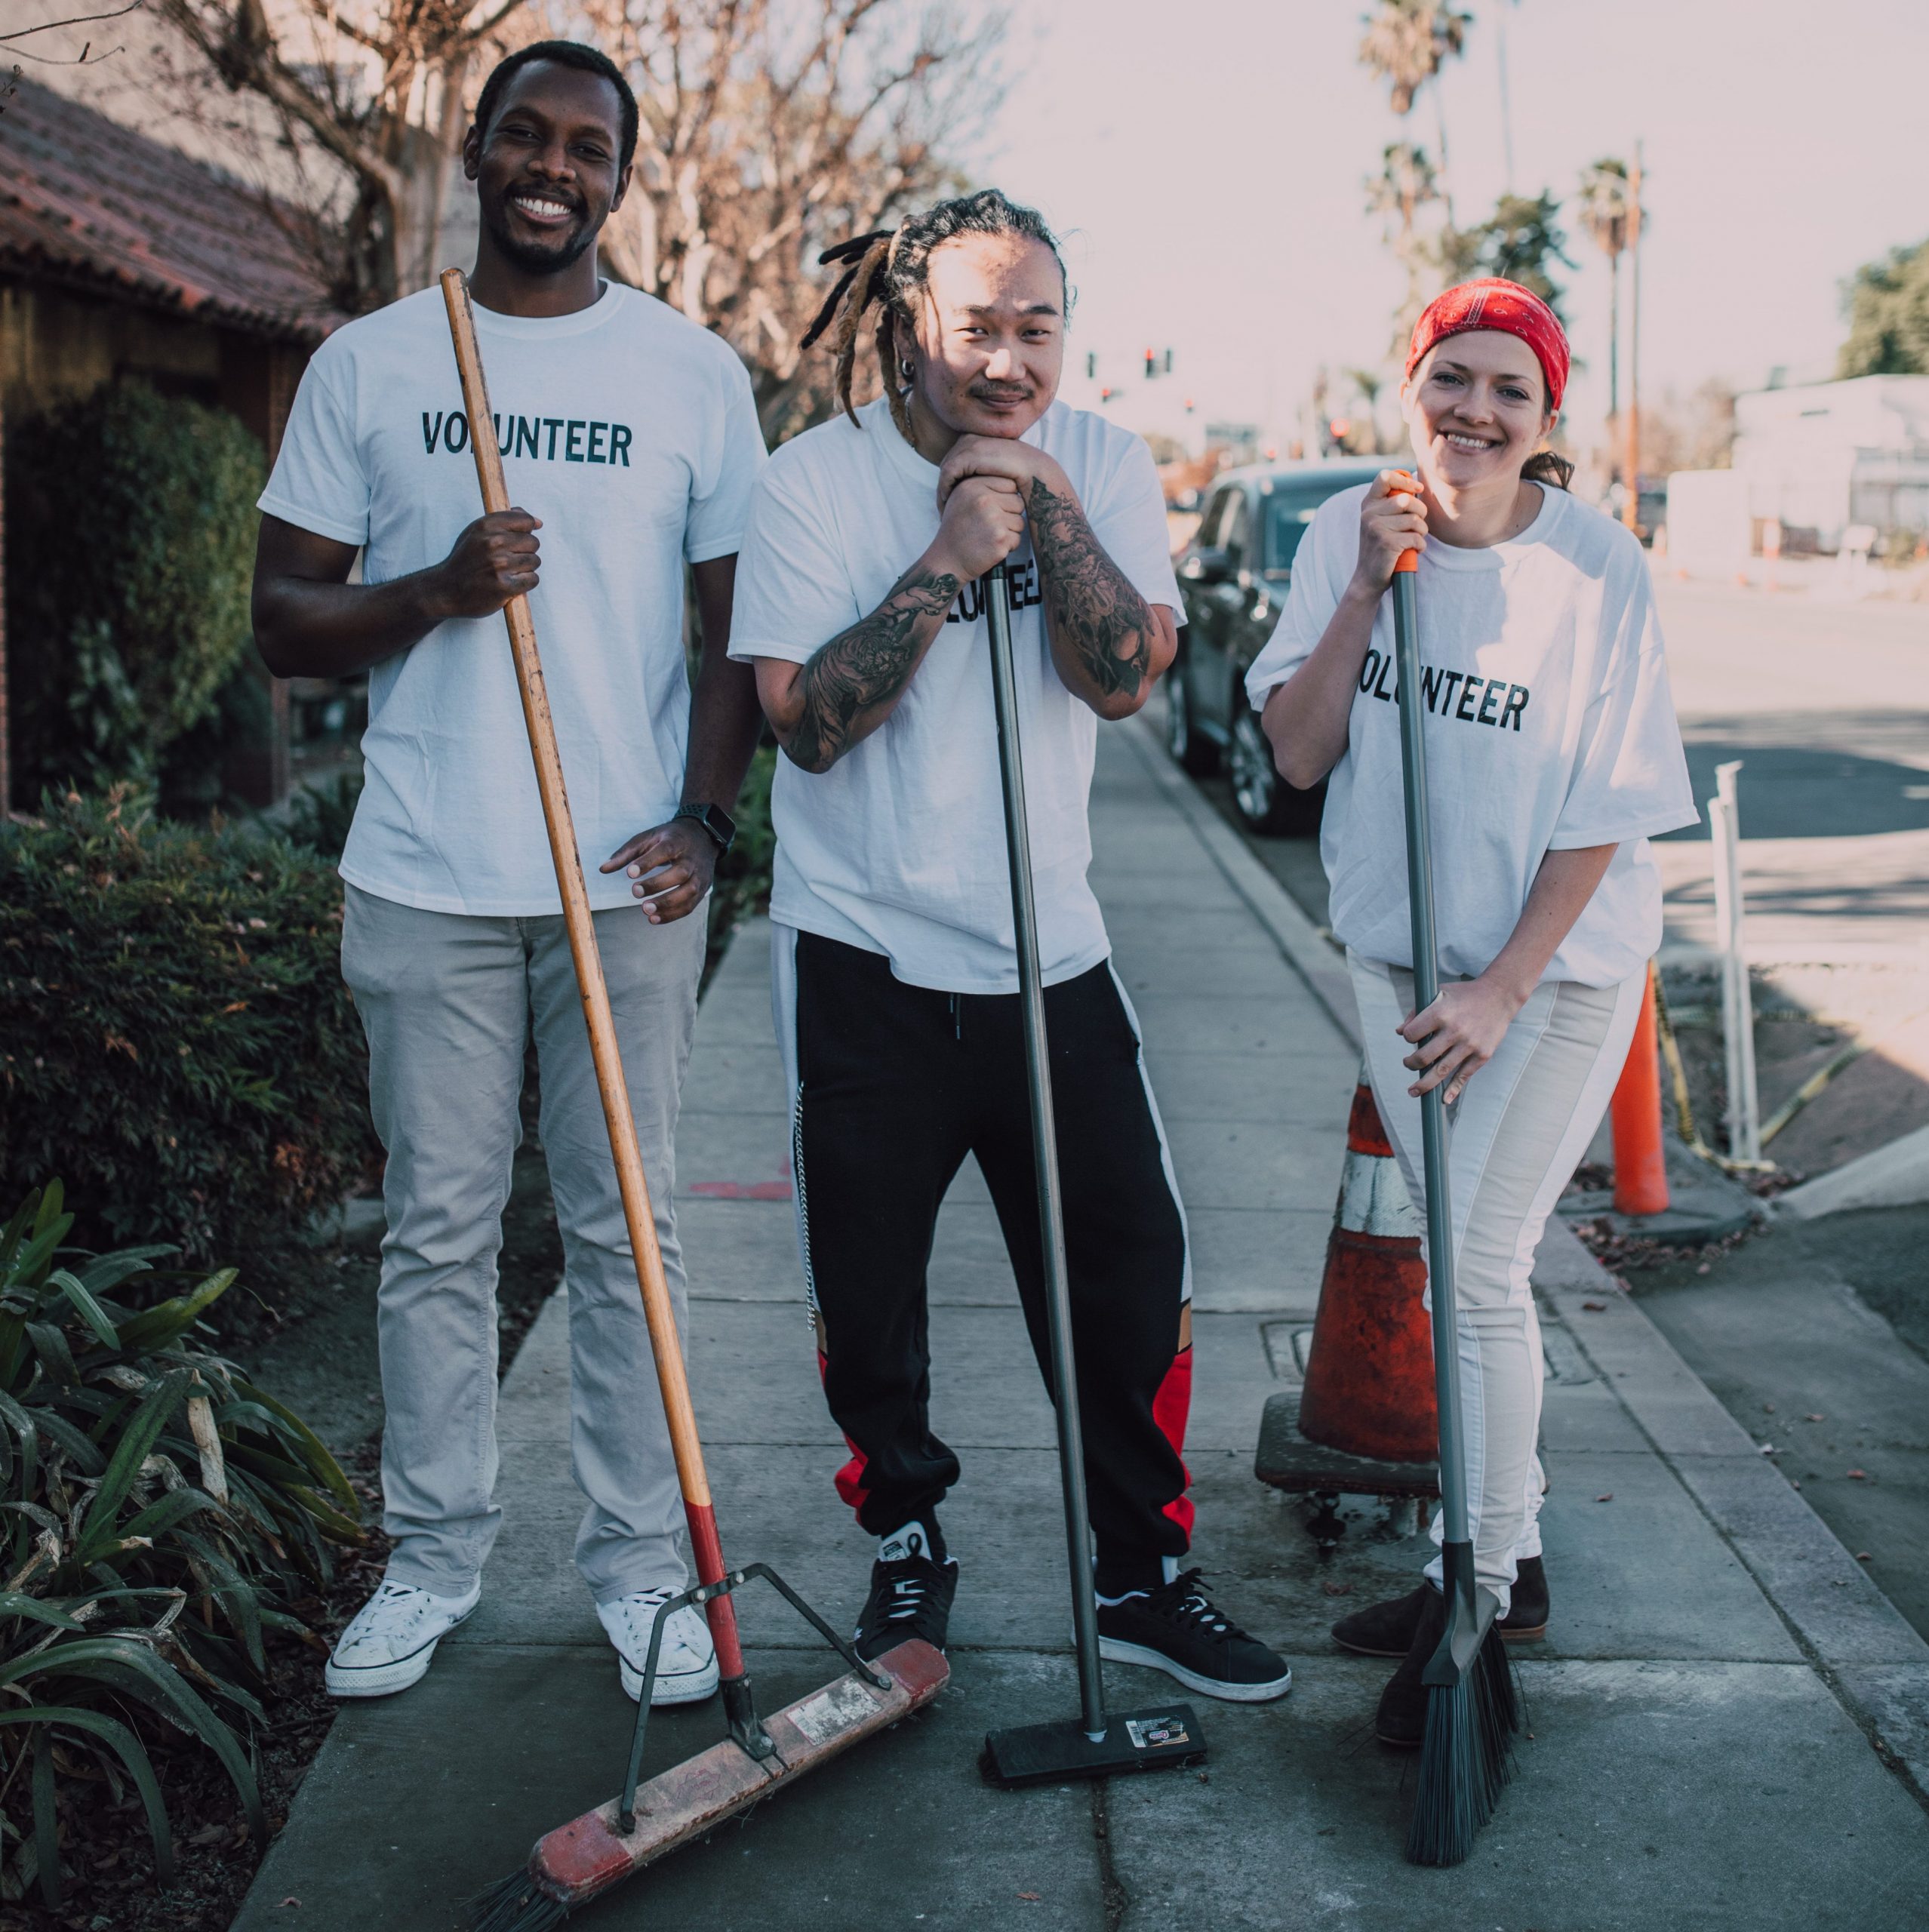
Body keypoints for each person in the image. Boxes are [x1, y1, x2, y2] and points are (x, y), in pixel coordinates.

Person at [251, 42, 768, 1708]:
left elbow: (728, 638)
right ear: (475, 150)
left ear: (624, 177)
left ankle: (640, 1572)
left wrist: (703, 822)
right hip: (425, 870)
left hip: (619, 881)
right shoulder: (377, 362)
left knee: (629, 1233)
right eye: (527, 136)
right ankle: (432, 1556)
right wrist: (433, 594)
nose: (555, 167)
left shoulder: (692, 373)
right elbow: (280, 622)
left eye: (590, 147)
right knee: (437, 1231)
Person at [726, 189, 1292, 1703]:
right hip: (864, 957)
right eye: (976, 324)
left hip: (1056, 957)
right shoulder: (809, 485)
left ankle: (1142, 1565)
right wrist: (952, 557)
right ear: (913, 323)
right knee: (870, 1287)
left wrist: (1044, 504)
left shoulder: (1101, 461)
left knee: (1130, 1265)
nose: (1009, 357)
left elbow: (1124, 680)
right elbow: (806, 729)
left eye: (1037, 325)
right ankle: (906, 1534)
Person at [1247, 278, 1697, 1743]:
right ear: (1411, 388)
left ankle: (1480, 1587)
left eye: (1510, 387)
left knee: (1479, 1266)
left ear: (1545, 415)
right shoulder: (1341, 539)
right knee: (1463, 1262)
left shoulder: (1595, 572)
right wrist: (1372, 588)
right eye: (1453, 378)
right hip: (1397, 965)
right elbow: (1298, 756)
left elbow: (1610, 814)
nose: (1476, 411)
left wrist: (1503, 986)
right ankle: (1514, 1553)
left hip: (1547, 978)